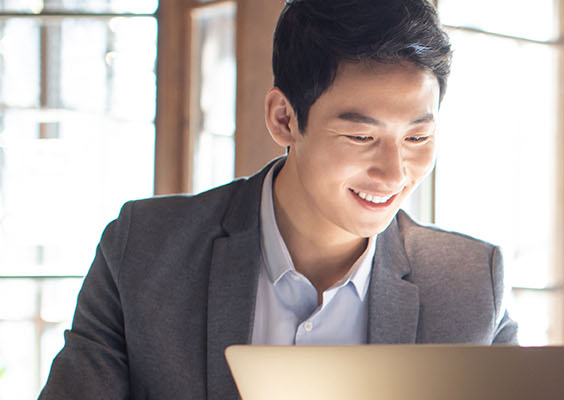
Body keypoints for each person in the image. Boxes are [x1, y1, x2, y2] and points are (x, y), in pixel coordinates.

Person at [40, 0, 517, 398]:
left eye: (417, 139)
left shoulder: (472, 288)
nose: (394, 173)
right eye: (359, 137)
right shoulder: (146, 250)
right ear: (284, 118)